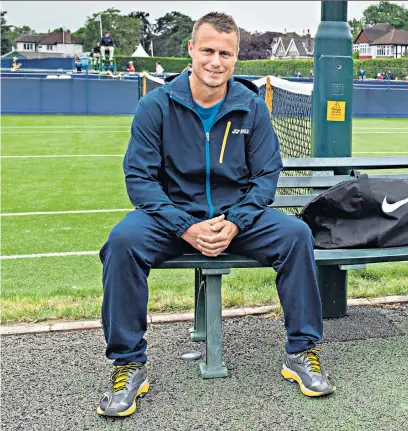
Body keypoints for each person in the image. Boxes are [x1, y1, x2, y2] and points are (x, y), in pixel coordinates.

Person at [97, 11, 335, 418]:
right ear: (191, 50)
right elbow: (139, 179)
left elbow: (265, 175)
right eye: (207, 50)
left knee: (296, 234)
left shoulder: (251, 107)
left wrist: (237, 221)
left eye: (225, 53)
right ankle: (129, 363)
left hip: (236, 219)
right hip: (173, 219)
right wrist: (185, 226)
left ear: (236, 57)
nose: (215, 61)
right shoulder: (156, 106)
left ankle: (301, 352)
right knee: (121, 243)